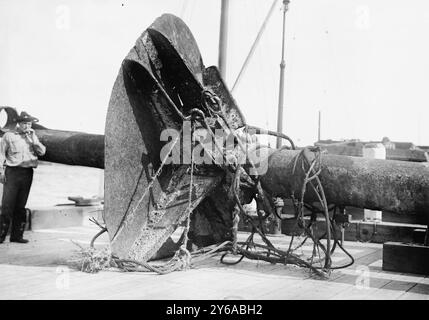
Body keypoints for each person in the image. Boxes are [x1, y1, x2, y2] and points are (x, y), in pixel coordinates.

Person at [0, 111, 46, 243]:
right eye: (25, 123)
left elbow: (42, 152)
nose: (27, 126)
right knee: (7, 205)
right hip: (12, 172)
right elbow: (1, 155)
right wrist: (1, 172)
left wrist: (32, 140)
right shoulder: (8, 136)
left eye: (29, 124)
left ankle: (17, 236)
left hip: (27, 173)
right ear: (18, 124)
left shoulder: (32, 136)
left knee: (21, 205)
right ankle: (1, 236)